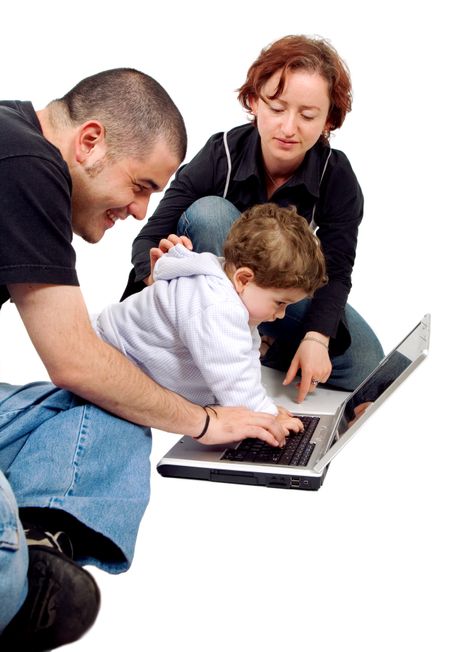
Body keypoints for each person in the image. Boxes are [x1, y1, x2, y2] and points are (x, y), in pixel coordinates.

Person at [0, 69, 286, 650]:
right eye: (140, 185)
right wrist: (206, 421)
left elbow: (89, 371)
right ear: (90, 142)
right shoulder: (26, 164)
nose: (138, 211)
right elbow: (75, 360)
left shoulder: (17, 145)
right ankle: (17, 564)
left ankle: (44, 535)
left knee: (118, 404)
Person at [122, 34, 385, 403]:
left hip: (275, 299)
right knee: (211, 214)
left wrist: (316, 338)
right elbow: (148, 237)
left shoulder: (337, 175)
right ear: (253, 101)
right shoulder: (220, 154)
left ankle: (260, 346)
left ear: (329, 120)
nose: (289, 127)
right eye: (277, 109)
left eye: (308, 115)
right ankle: (218, 347)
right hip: (215, 295)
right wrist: (154, 274)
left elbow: (337, 270)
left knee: (367, 364)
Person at [93, 204, 327, 431]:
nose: (281, 314)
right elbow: (231, 375)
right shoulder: (217, 304)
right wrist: (263, 414)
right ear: (244, 279)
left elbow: (244, 358)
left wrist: (261, 405)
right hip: (105, 356)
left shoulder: (228, 290)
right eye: (280, 303)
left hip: (121, 356)